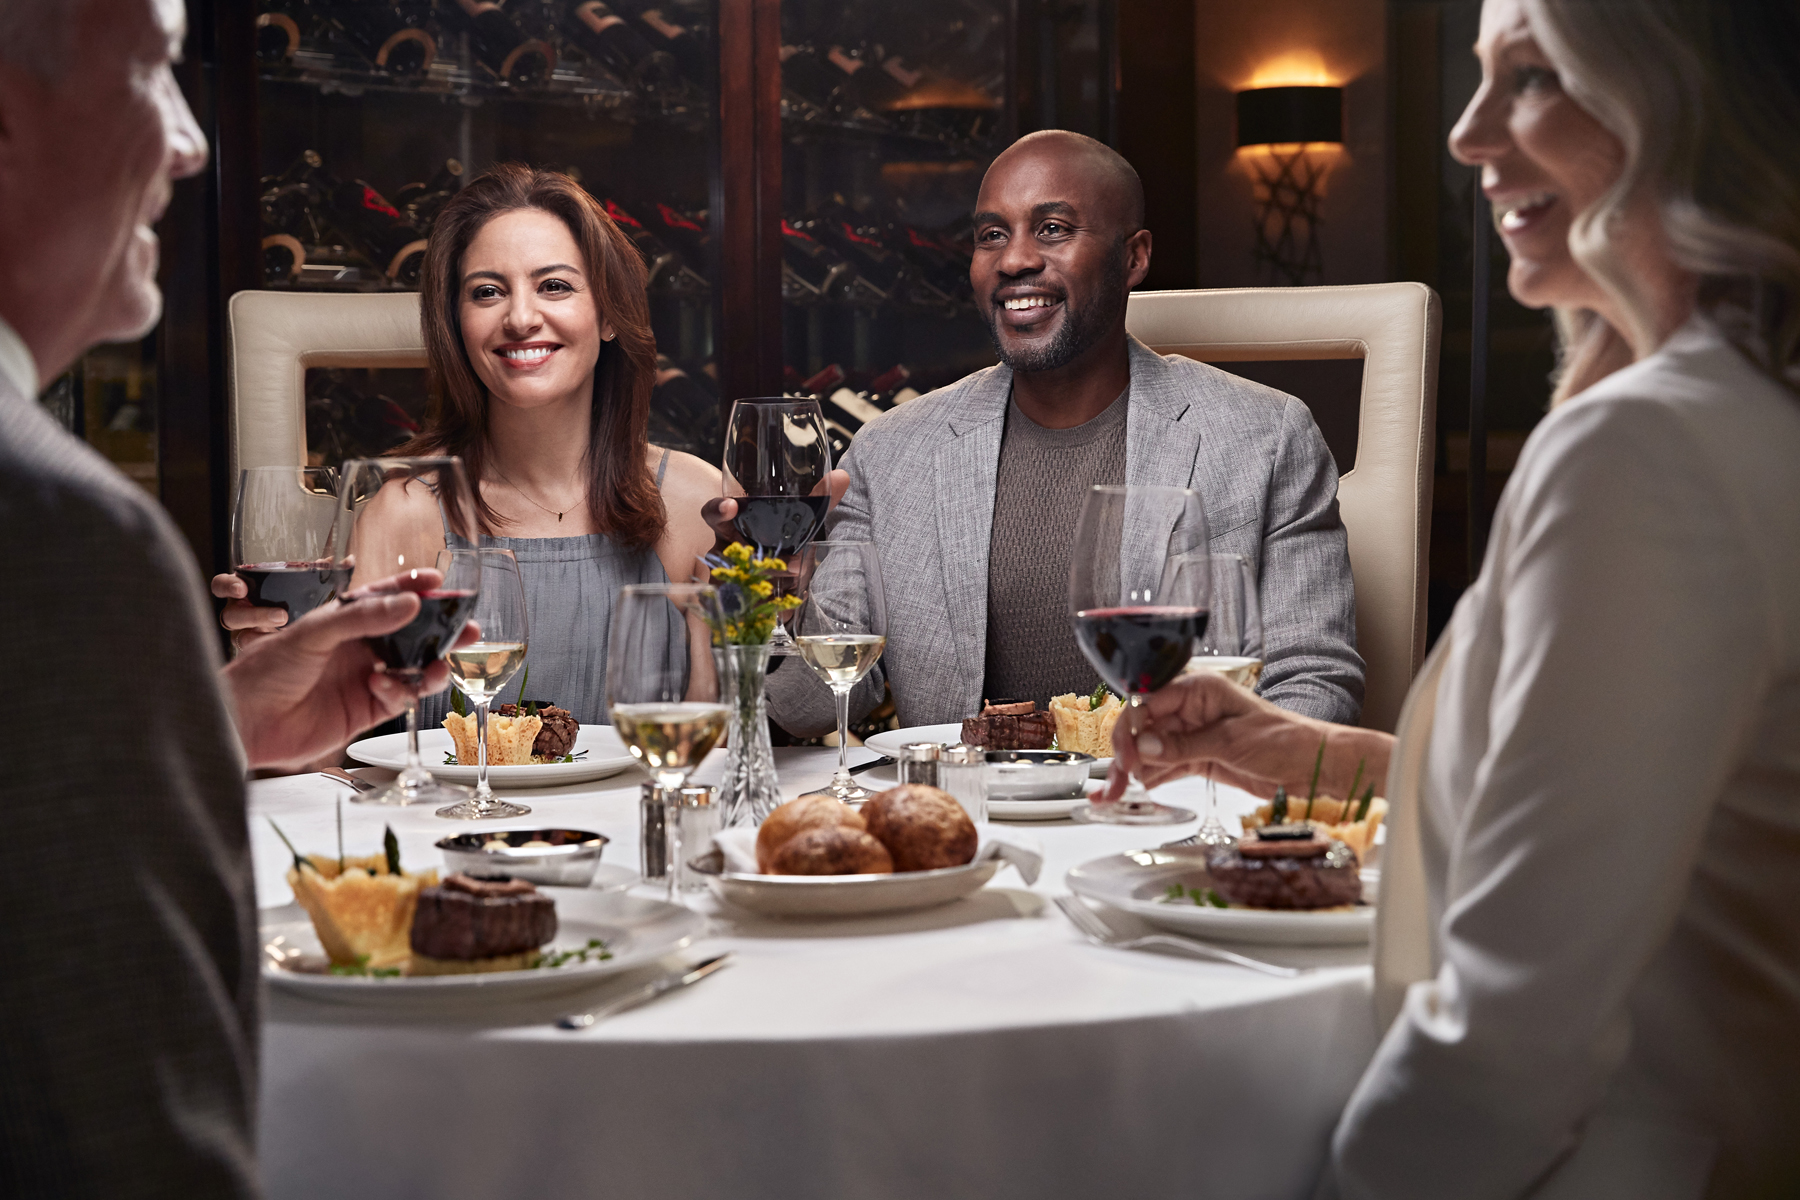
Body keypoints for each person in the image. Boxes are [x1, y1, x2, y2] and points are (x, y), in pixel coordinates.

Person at [1108, 1, 1800, 1195]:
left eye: (1532, 78)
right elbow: (1612, 801)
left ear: (1679, 96)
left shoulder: (1647, 452)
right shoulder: (1736, 410)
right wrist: (1296, 752)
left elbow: (1511, 1032)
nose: (1470, 135)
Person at [0, 1, 475, 1193]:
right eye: (155, 77)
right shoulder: (58, 533)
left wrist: (212, 727)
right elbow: (117, 1135)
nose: (191, 143)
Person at [754, 130, 1363, 737]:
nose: (1014, 260)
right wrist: (763, 590)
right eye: (992, 235)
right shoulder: (891, 452)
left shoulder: (1266, 436)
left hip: (1160, 812)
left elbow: (1312, 684)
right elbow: (814, 702)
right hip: (965, 820)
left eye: (1052, 229)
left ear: (1134, 257)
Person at [218, 165, 720, 722]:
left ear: (607, 315)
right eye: (487, 292)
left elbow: (721, 749)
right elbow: (336, 761)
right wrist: (275, 682)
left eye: (554, 285)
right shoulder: (404, 514)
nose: (522, 318)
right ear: (457, 325)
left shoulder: (693, 501)